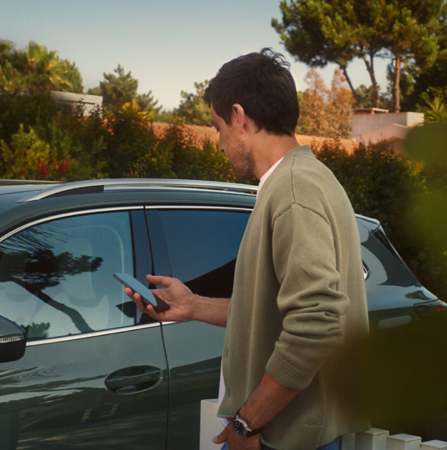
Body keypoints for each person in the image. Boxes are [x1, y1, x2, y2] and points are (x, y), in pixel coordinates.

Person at [125, 48, 369, 450]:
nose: (218, 142)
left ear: (239, 117)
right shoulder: (307, 178)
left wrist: (246, 425)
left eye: (217, 126)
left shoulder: (293, 191)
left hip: (282, 437)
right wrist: (195, 306)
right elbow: (277, 311)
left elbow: (317, 323)